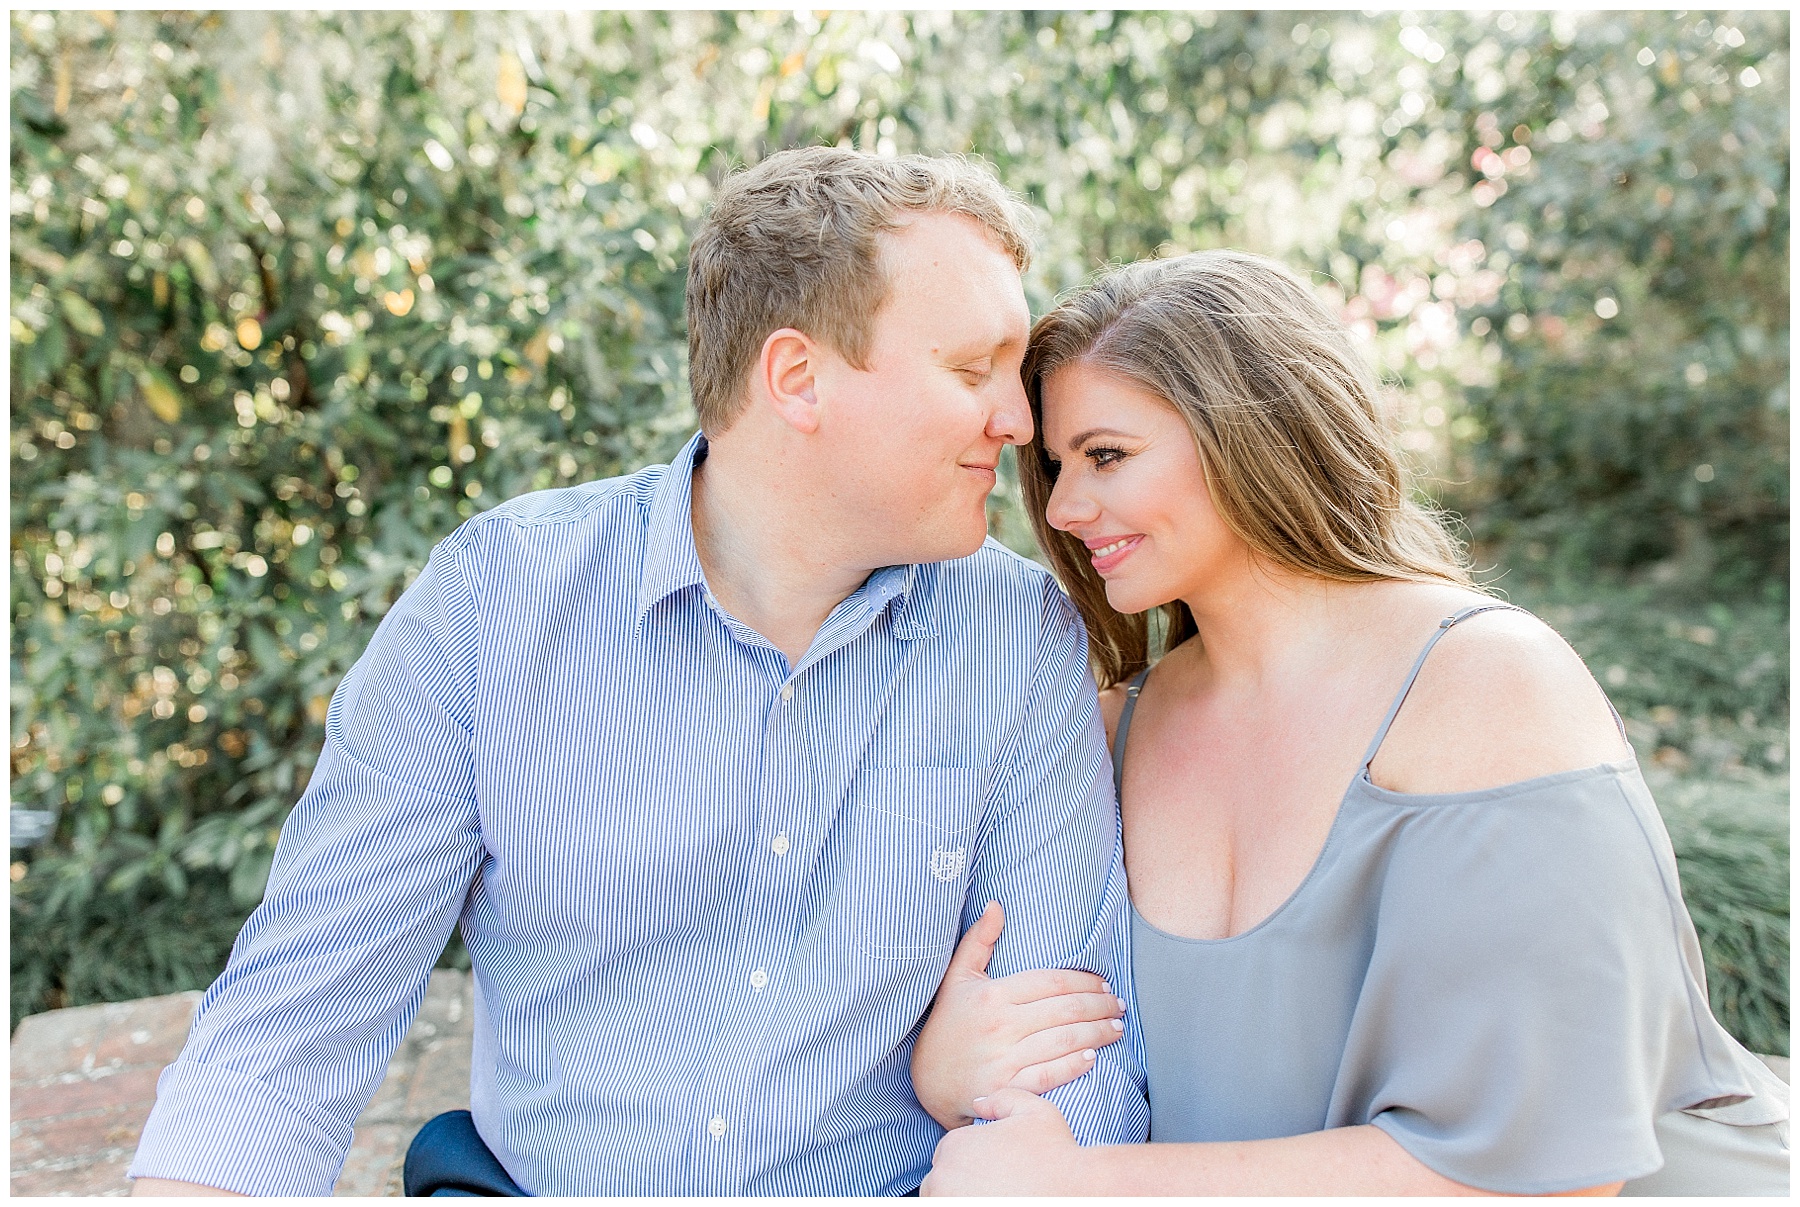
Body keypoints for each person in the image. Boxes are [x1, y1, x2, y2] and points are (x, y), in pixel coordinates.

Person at [126, 146, 1143, 1197]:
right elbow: (286, 1037)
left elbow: (1071, 1066)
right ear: (798, 378)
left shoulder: (1022, 641)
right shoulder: (496, 606)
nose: (1021, 425)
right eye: (973, 371)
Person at [912, 250, 1789, 1195]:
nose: (1068, 507)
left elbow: (1544, 1181)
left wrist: (1092, 1186)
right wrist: (945, 1065)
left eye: (1107, 455)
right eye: (1053, 466)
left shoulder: (1485, 686)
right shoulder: (1111, 727)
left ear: (1253, 435)